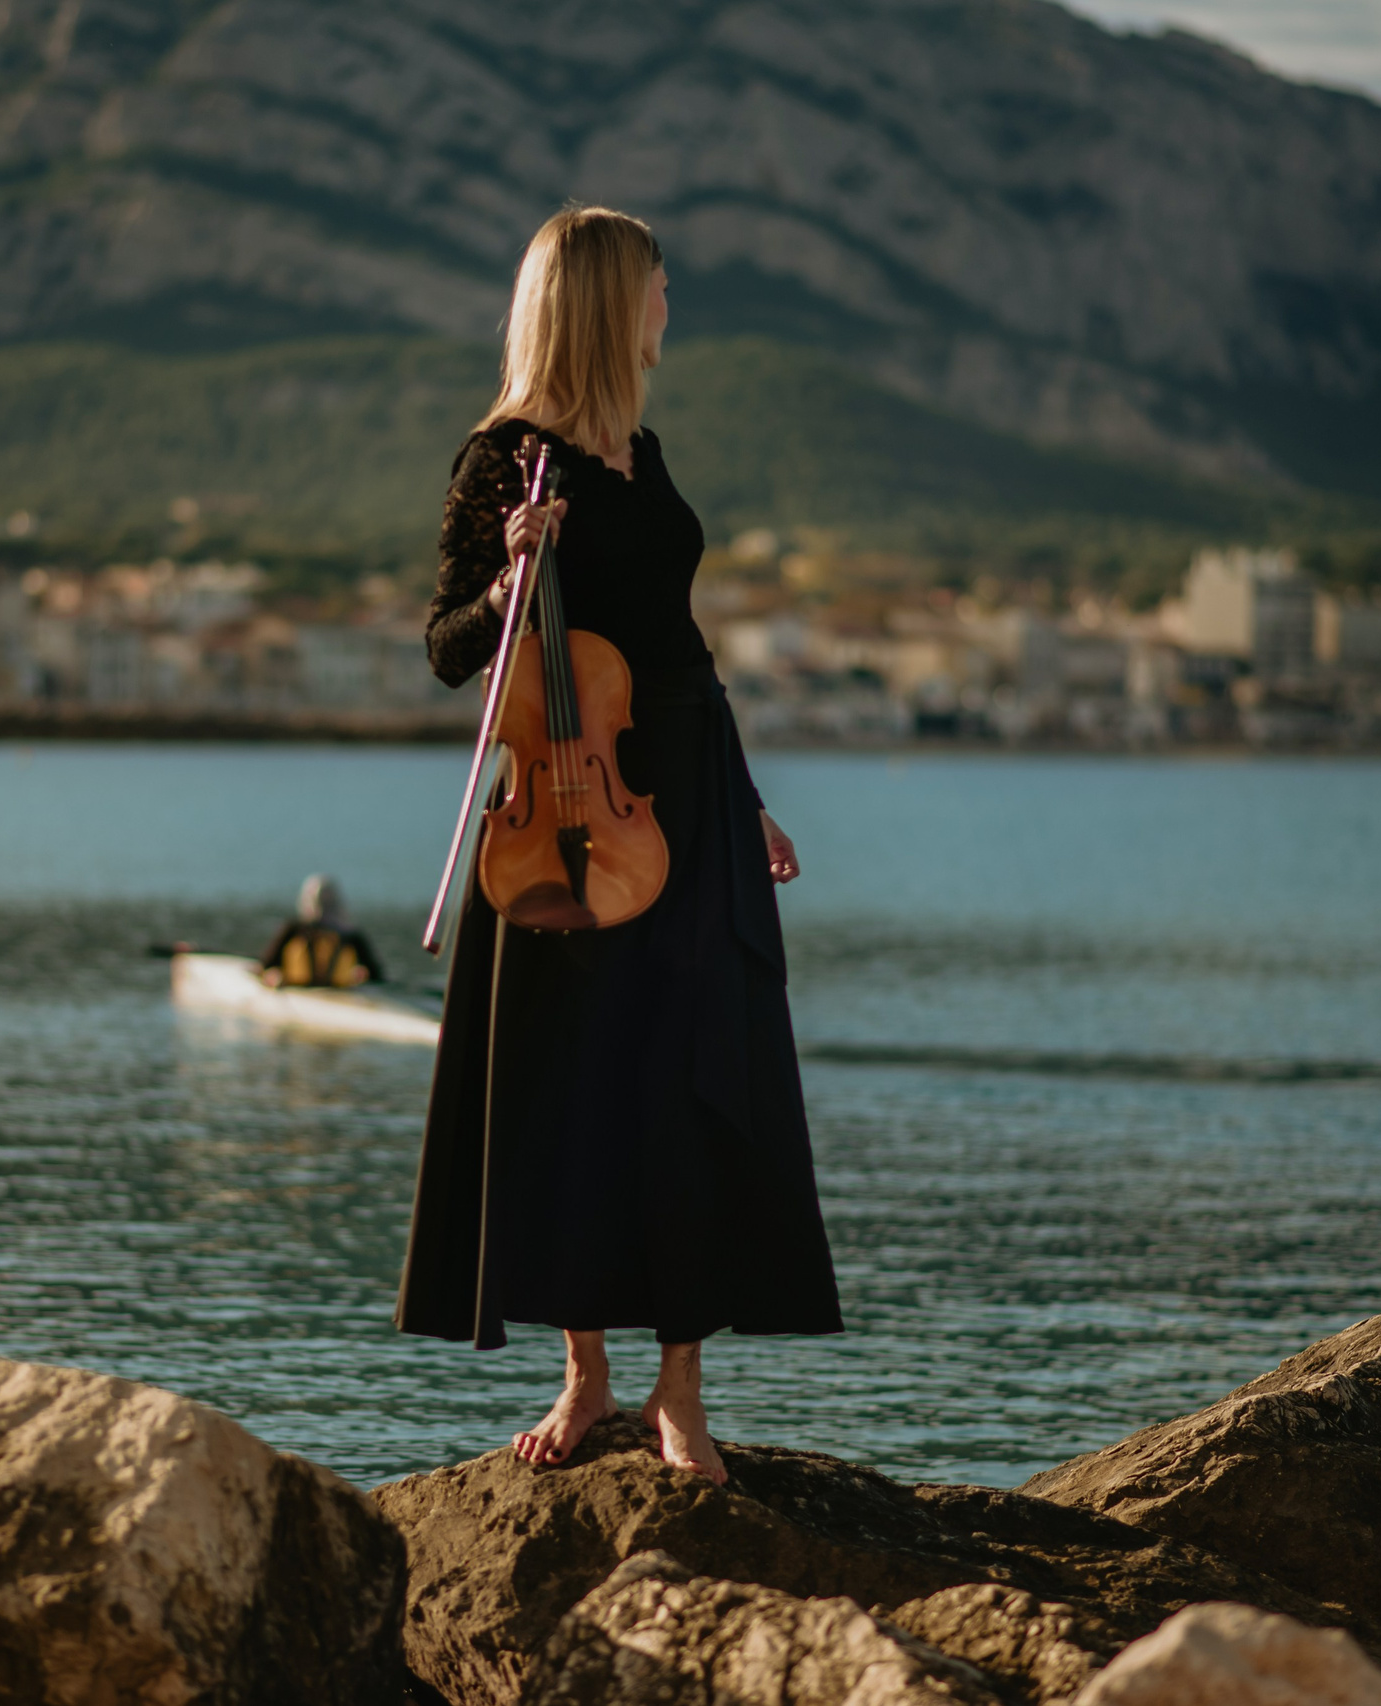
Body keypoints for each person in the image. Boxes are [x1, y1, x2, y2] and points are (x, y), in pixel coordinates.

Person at [393, 205, 841, 1487]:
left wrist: (745, 793)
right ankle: (586, 1371)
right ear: (600, 304)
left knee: (693, 1082)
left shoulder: (641, 449)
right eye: (655, 286)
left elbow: (683, 650)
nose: (667, 308)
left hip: (684, 803)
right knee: (578, 1091)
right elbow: (444, 650)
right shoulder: (505, 462)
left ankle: (678, 1391)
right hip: (564, 830)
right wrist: (505, 585)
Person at [259, 873, 385, 988]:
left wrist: (363, 976)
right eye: (320, 902)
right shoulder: (293, 931)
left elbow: (376, 976)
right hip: (297, 990)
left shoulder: (351, 936)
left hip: (340, 995)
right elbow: (268, 965)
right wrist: (273, 975)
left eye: (328, 903)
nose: (324, 909)